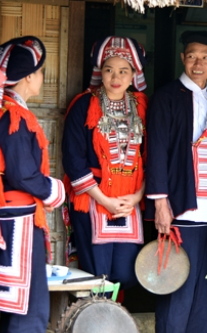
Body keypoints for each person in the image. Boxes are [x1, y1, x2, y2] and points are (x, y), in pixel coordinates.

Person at [0, 37, 67, 333]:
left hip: (7, 221)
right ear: (29, 77)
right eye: (40, 72)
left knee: (15, 303)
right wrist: (55, 190)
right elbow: (23, 175)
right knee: (31, 307)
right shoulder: (14, 116)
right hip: (18, 222)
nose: (41, 78)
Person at [146, 30, 207, 333]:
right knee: (177, 276)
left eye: (206, 58)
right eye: (193, 56)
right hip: (181, 202)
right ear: (183, 58)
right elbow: (156, 151)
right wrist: (160, 201)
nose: (199, 63)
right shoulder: (167, 96)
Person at [62, 36, 148, 289]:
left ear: (134, 74)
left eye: (123, 70)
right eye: (109, 70)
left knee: (125, 273)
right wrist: (104, 200)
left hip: (129, 201)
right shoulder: (84, 105)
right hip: (93, 198)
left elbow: (150, 156)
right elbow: (73, 157)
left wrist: (135, 198)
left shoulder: (142, 106)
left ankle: (117, 323)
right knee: (95, 274)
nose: (115, 77)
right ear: (100, 72)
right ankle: (92, 324)